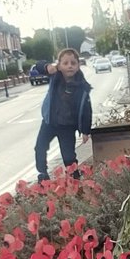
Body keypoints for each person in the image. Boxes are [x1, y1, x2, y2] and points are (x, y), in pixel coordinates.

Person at [34, 47, 92, 182]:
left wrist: (85, 131)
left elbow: (86, 110)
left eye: (73, 63)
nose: (69, 66)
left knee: (68, 156)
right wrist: (47, 67)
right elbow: (38, 66)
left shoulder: (82, 86)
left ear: (78, 65)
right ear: (59, 65)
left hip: (67, 126)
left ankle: (75, 179)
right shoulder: (55, 77)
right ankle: (43, 175)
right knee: (40, 148)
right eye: (65, 63)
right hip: (50, 122)